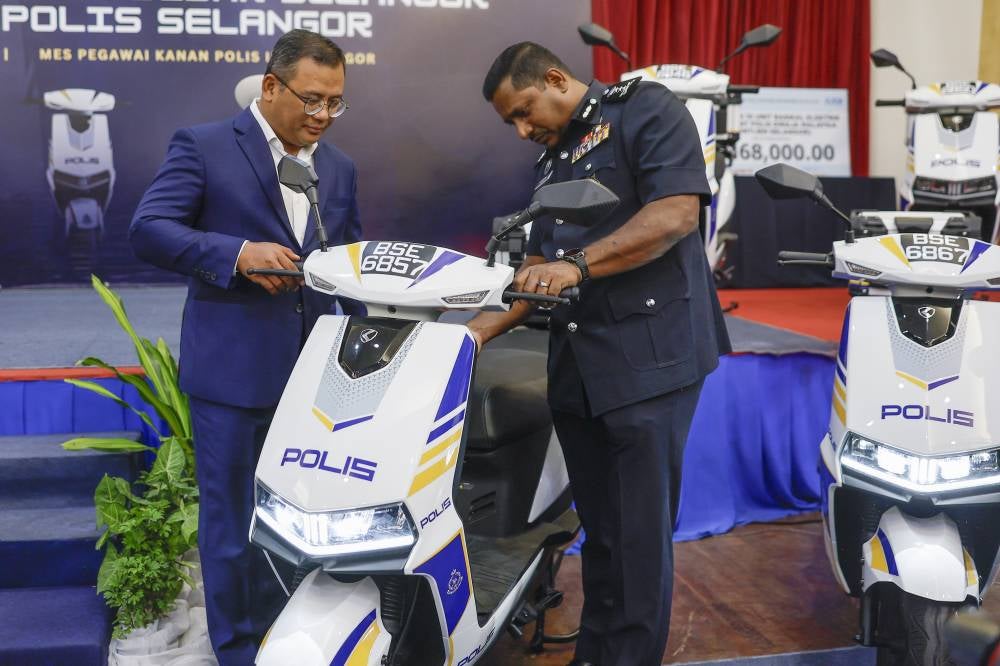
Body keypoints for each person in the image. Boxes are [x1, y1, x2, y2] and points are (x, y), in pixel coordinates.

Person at [468, 43, 731, 666]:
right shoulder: (553, 159)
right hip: (581, 370)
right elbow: (536, 271)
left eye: (525, 112)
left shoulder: (645, 110)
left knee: (638, 541)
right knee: (605, 534)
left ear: (556, 78)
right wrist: (472, 332)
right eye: (512, 123)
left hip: (650, 362)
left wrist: (576, 265)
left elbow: (675, 215)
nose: (523, 130)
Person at [129, 29, 363, 665]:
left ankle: (292, 644)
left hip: (314, 380)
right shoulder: (204, 145)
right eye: (311, 100)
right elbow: (148, 229)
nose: (322, 116)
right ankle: (237, 653)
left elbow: (348, 264)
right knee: (232, 528)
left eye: (335, 103)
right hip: (231, 378)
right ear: (270, 86)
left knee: (301, 527)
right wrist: (233, 253)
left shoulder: (337, 167)